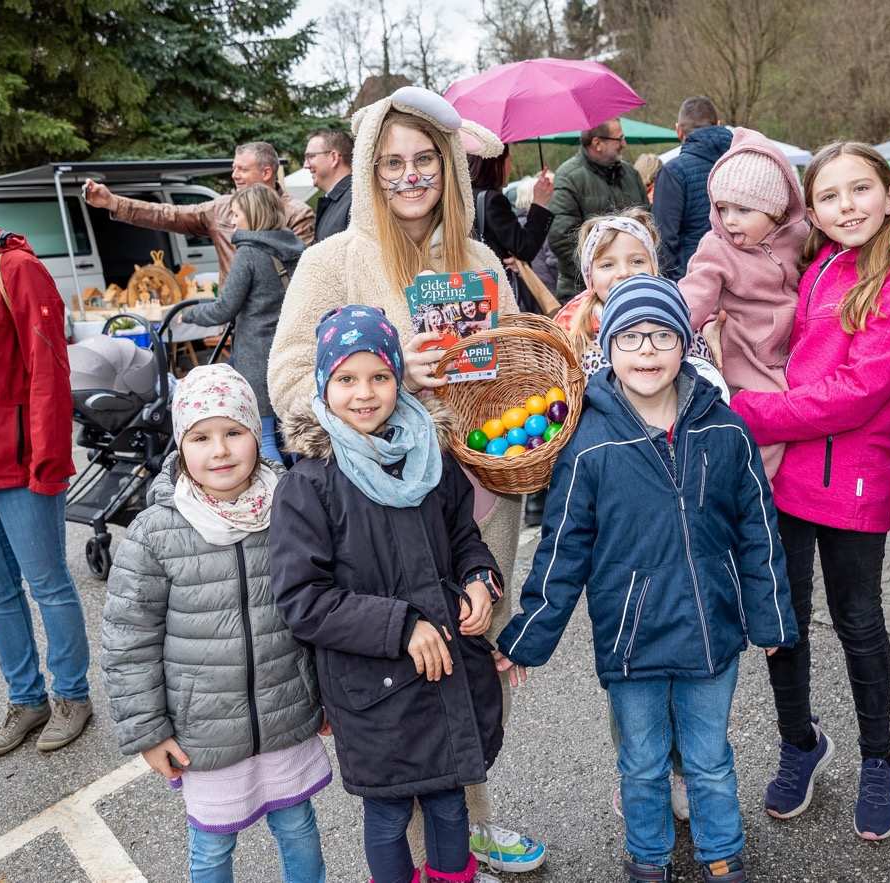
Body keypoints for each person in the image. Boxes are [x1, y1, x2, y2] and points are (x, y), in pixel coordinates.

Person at [266, 85, 544, 874]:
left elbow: (514, 372)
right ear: (367, 169)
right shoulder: (332, 260)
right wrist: (397, 378)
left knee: (473, 657)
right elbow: (287, 376)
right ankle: (430, 853)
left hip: (477, 495)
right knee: (405, 675)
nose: (410, 176)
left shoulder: (480, 259)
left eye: (425, 160)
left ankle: (471, 823)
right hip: (377, 508)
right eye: (391, 163)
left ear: (449, 167)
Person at [496, 276, 797, 883]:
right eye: (630, 337)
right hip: (631, 637)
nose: (647, 350)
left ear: (684, 344)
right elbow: (563, 550)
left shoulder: (725, 429)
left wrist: (769, 617)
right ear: (608, 348)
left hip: (713, 632)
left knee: (710, 758)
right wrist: (528, 634)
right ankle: (649, 859)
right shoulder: (587, 444)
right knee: (641, 760)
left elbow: (759, 532)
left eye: (662, 335)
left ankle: (722, 852)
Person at [729, 141, 890, 839]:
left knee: (859, 623)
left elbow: (856, 394)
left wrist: (747, 409)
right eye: (830, 196)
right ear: (814, 210)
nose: (846, 206)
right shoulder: (819, 261)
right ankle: (800, 741)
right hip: (784, 472)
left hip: (852, 478)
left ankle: (878, 760)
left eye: (860, 189)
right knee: (783, 620)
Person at [272, 306, 504, 883]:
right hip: (374, 688)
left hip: (446, 668)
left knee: (451, 803)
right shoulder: (309, 484)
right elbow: (304, 599)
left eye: (379, 376)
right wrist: (401, 625)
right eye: (346, 379)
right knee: (389, 812)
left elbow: (463, 536)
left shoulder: (431, 456)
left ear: (399, 377)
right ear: (324, 384)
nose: (364, 393)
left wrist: (479, 579)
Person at [101, 364, 330, 883]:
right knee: (210, 849)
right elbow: (128, 643)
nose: (220, 450)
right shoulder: (155, 532)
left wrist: (325, 695)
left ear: (257, 434)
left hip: (286, 714)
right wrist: (148, 731)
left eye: (234, 432)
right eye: (201, 437)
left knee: (298, 829)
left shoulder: (291, 507)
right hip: (201, 732)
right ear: (182, 447)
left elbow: (318, 609)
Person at [0, 219, 93, 758]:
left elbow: (49, 369)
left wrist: (48, 458)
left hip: (22, 463)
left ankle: (71, 694)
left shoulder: (16, 269)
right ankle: (26, 700)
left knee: (47, 583)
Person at [678, 127, 809, 478]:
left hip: (786, 352)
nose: (730, 219)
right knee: (764, 431)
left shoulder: (798, 238)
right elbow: (694, 294)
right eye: (722, 208)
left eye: (743, 209)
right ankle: (752, 494)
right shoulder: (717, 248)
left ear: (777, 212)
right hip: (743, 353)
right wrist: (667, 330)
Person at [180, 183, 305, 462]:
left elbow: (223, 309)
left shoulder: (249, 253)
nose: (233, 220)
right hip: (291, 351)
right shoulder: (296, 249)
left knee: (266, 436)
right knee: (294, 434)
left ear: (253, 213)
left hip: (257, 356)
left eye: (237, 213)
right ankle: (304, 493)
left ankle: (277, 498)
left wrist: (188, 314)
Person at [84, 141, 314, 279]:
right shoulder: (221, 208)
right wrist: (113, 203)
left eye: (242, 169)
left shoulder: (297, 213)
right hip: (235, 322)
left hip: (279, 322)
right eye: (234, 168)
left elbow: (302, 275)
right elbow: (168, 215)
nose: (234, 175)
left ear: (266, 173)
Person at [554, 208, 718, 385]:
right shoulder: (575, 332)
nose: (624, 273)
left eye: (637, 261)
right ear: (590, 277)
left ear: (653, 269)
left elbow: (703, 377)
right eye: (607, 265)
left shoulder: (675, 317)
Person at [546, 118, 649, 303]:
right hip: (583, 293)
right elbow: (561, 238)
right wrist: (600, 273)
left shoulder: (630, 174)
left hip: (634, 286)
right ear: (597, 143)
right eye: (619, 139)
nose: (624, 144)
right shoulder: (568, 177)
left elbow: (647, 225)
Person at [652, 97, 734, 280]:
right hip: (737, 276)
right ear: (718, 124)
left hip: (691, 278)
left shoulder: (673, 172)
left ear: (678, 130)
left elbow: (663, 239)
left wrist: (671, 286)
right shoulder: (741, 164)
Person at [468, 146, 554, 314]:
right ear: (495, 162)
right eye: (509, 159)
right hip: (500, 291)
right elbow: (524, 248)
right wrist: (539, 204)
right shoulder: (493, 201)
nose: (511, 166)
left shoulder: (463, 196)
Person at [304, 128, 354, 242]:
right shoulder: (336, 201)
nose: (305, 165)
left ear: (334, 158)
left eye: (311, 156)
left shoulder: (356, 201)